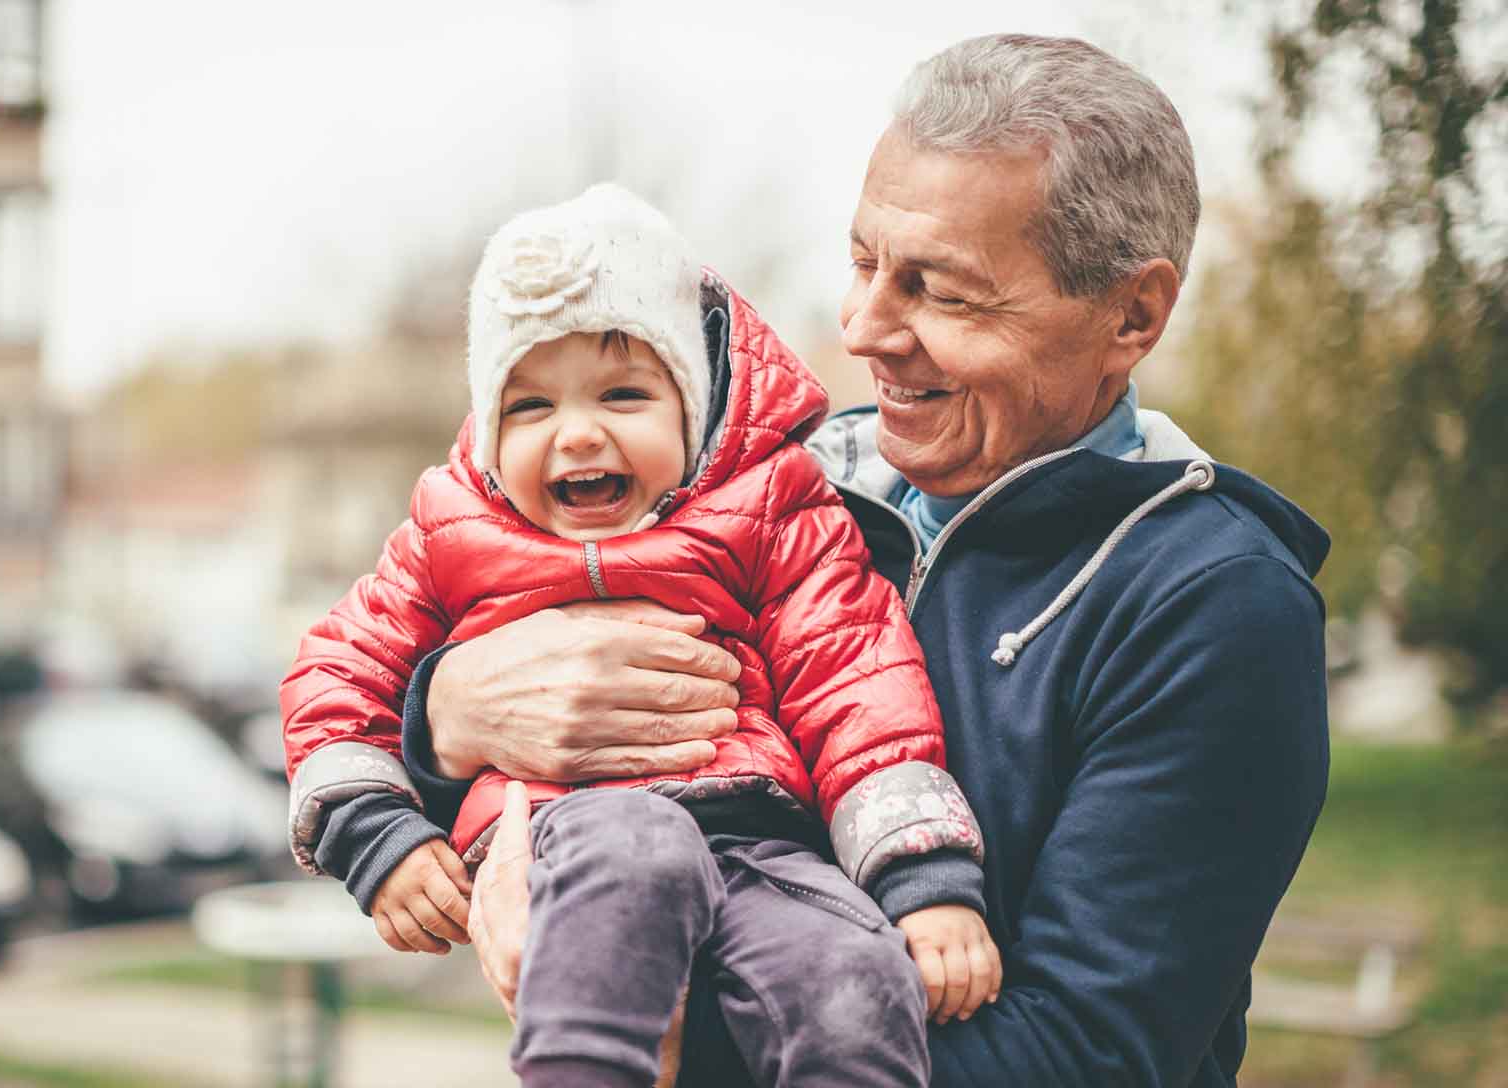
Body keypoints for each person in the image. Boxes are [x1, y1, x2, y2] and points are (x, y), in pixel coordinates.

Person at [399, 35, 1332, 1088]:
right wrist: (447, 713)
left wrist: (620, 1006)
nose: (863, 327)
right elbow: (459, 626)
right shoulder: (772, 489)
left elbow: (1082, 1052)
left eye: (943, 292)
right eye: (863, 262)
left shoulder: (1215, 604)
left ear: (1132, 313)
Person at [281, 182, 997, 1087]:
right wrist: (376, 831)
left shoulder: (771, 509)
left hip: (758, 844)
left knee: (853, 978)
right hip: (565, 830)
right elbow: (339, 674)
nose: (577, 435)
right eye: (529, 407)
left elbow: (856, 678)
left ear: (691, 410)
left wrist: (921, 880)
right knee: (638, 848)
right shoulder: (451, 527)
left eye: (623, 395)